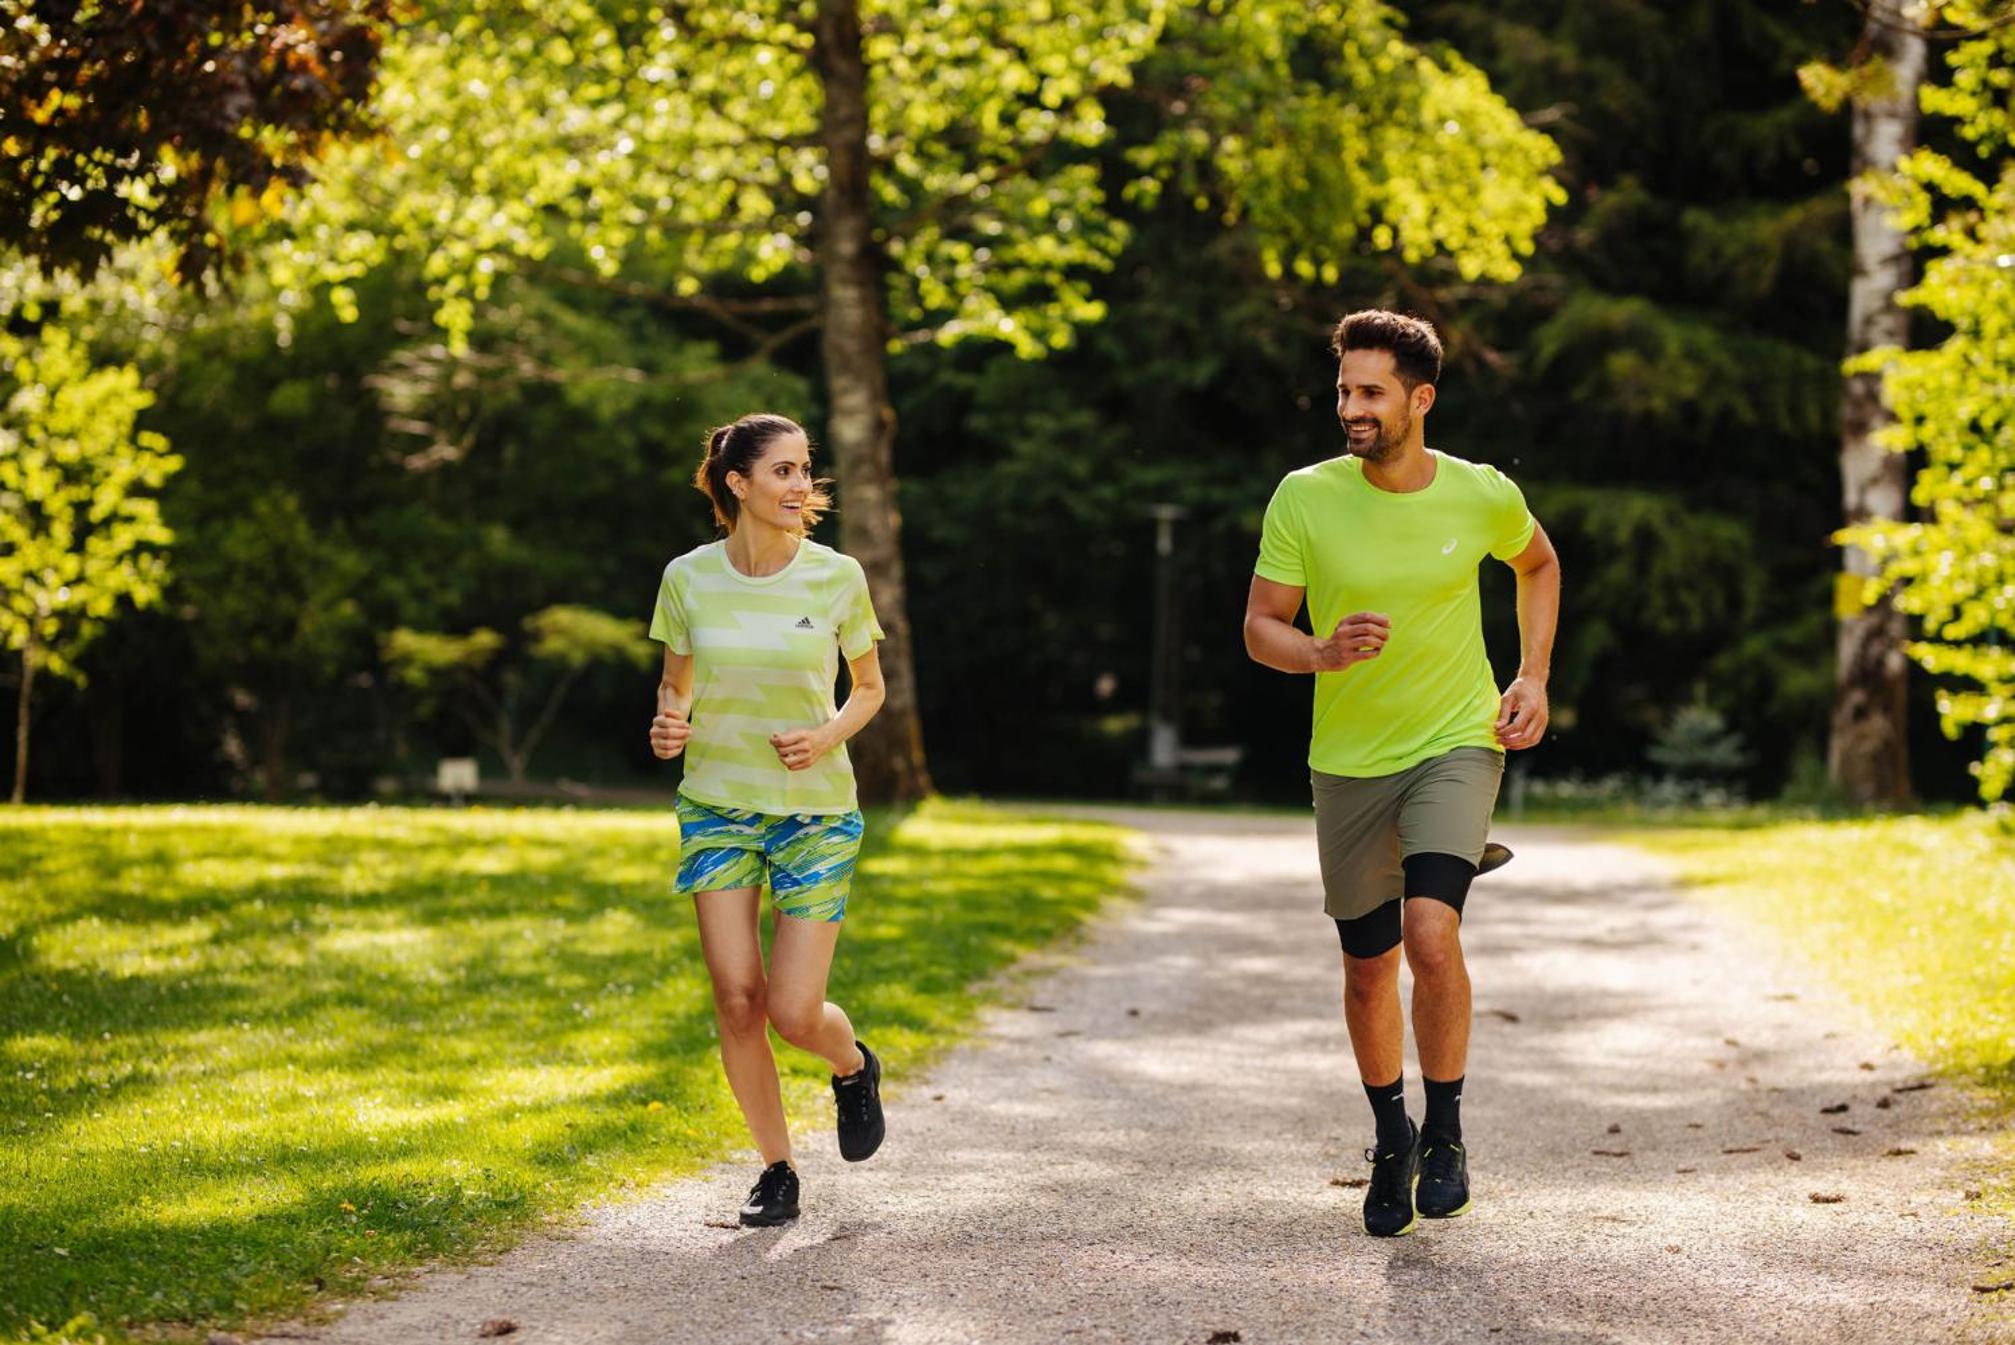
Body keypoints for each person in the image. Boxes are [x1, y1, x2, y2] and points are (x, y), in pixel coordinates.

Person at [1243, 310, 1560, 1238]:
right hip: (1347, 760)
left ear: (1420, 400)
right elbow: (1260, 627)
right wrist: (1319, 651)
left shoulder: (1479, 493)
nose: (1351, 406)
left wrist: (1532, 675)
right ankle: (1393, 1136)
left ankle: (1447, 1130)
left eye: (1370, 392)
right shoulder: (1304, 497)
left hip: (1456, 738)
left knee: (1429, 929)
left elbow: (1538, 563)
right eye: (1344, 389)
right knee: (1366, 965)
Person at [647, 412, 889, 1228]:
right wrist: (669, 719)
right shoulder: (687, 577)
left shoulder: (836, 576)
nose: (800, 485)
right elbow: (675, 682)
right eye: (782, 471)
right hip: (717, 804)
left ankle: (851, 1066)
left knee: (792, 1010)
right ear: (737, 483)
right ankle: (776, 1169)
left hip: (814, 813)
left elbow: (868, 688)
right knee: (736, 999)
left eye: (804, 469)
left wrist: (824, 735)